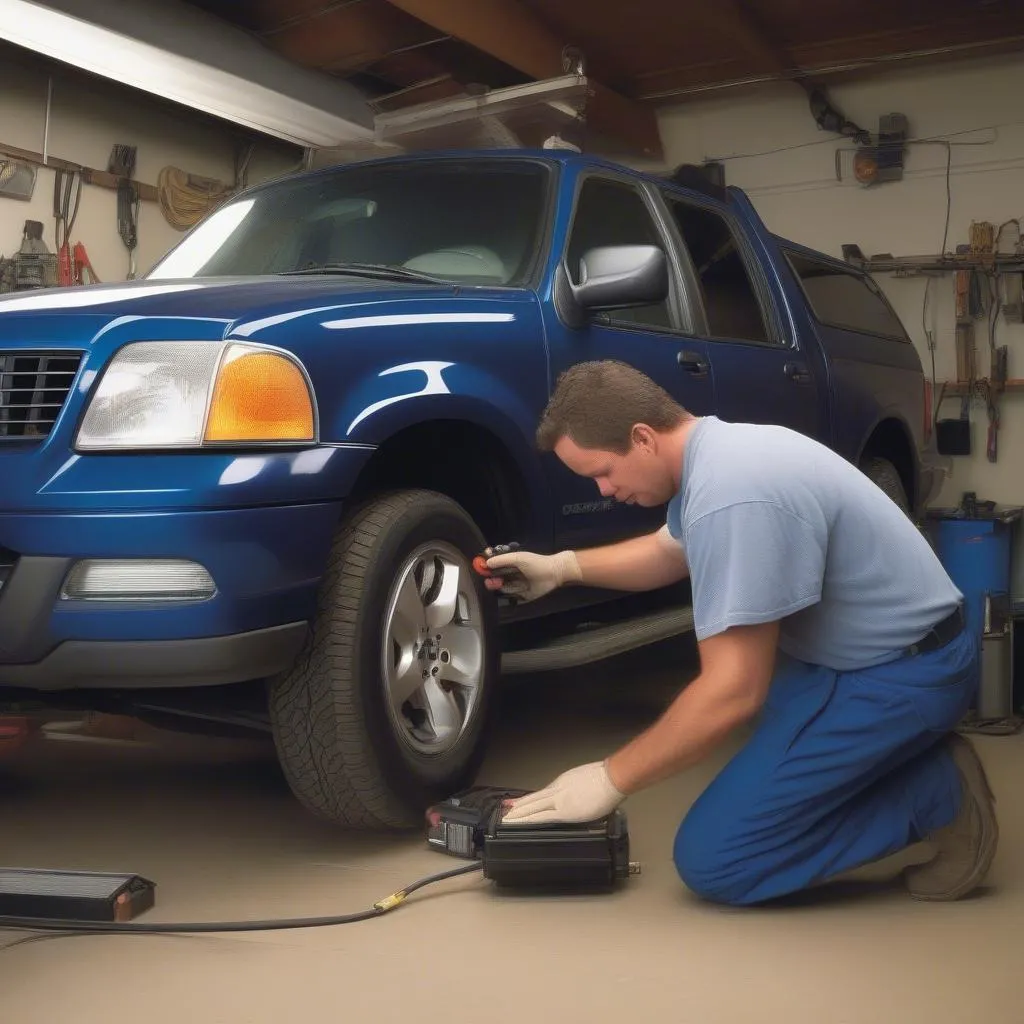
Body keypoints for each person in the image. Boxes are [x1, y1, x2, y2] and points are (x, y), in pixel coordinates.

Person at [484, 359, 997, 906]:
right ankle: (894, 759)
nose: (604, 490)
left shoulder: (733, 493)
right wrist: (561, 568)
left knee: (718, 858)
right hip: (869, 656)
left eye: (602, 471)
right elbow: (667, 551)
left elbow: (732, 692)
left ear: (642, 437)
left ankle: (938, 792)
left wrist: (608, 779)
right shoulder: (721, 451)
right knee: (769, 752)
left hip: (905, 676)